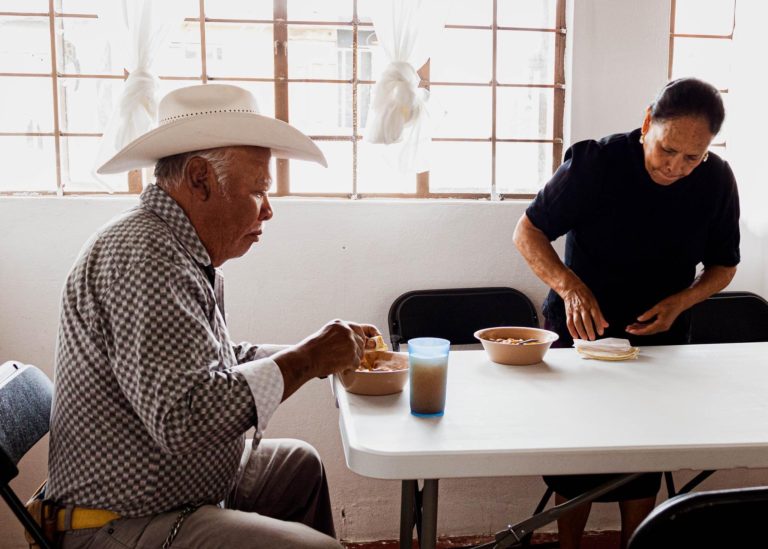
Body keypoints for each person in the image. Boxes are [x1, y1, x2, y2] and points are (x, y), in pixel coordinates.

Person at [46, 84, 380, 548]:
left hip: (171, 492)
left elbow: (216, 361)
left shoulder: (179, 249)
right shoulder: (145, 256)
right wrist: (306, 359)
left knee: (298, 467)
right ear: (201, 179)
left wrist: (322, 355)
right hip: (117, 521)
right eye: (259, 190)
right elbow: (182, 419)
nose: (268, 209)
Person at [513, 77, 740, 549]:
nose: (676, 167)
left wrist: (681, 302)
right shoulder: (597, 163)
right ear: (646, 124)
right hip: (582, 329)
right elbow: (528, 232)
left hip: (659, 335)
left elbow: (724, 266)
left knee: (642, 459)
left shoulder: (716, 180)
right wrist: (570, 288)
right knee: (577, 458)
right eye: (667, 150)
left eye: (692, 158)